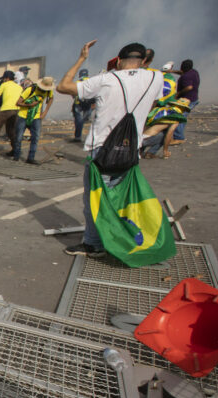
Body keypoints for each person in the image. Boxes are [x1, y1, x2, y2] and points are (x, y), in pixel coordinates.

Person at [57, 40, 162, 257]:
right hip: (131, 150)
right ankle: (119, 238)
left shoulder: (107, 79)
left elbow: (63, 86)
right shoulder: (155, 78)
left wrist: (81, 58)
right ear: (143, 61)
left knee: (95, 200)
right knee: (119, 198)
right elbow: (153, 104)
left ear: (119, 60)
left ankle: (94, 244)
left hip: (102, 151)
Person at [13, 77, 55, 164]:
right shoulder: (30, 90)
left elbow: (51, 99)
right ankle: (16, 156)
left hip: (36, 117)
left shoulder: (48, 91)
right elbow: (18, 102)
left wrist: (45, 112)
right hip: (23, 116)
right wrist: (30, 105)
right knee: (19, 137)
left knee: (35, 138)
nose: (44, 91)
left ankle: (30, 158)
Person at [0, 71, 22, 156]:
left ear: (6, 78)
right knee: (11, 130)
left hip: (6, 109)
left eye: (4, 78)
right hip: (17, 110)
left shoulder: (4, 85)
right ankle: (15, 149)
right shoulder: (19, 87)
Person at [172, 60, 199, 142]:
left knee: (180, 117)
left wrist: (178, 94)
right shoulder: (193, 72)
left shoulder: (186, 76)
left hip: (187, 99)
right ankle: (178, 135)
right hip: (193, 98)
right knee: (182, 116)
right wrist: (171, 71)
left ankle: (178, 137)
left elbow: (189, 87)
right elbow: (182, 73)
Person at [71, 69, 95, 142]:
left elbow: (73, 94)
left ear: (80, 75)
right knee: (84, 119)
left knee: (78, 120)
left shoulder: (77, 83)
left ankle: (78, 136)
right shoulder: (92, 81)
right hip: (89, 104)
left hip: (78, 103)